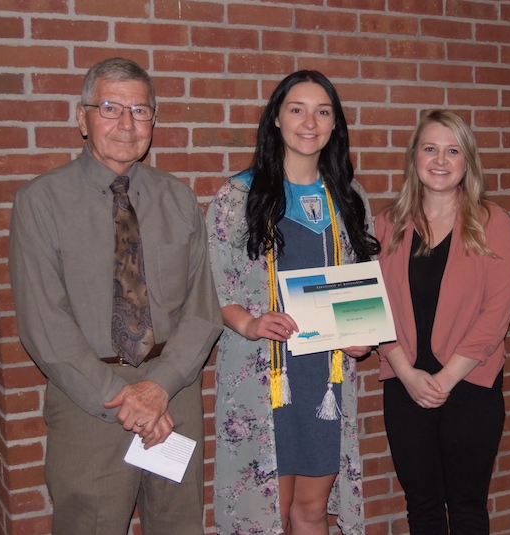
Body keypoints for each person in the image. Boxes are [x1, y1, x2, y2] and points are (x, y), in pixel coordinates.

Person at [9, 57, 224, 535]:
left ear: (154, 120)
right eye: (110, 108)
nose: (127, 124)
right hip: (92, 406)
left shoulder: (178, 198)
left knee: (177, 525)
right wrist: (124, 399)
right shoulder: (40, 202)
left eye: (140, 111)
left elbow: (203, 309)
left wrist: (159, 388)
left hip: (174, 401)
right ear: (81, 117)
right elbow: (44, 325)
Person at [206, 70, 380, 535]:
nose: (310, 121)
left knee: (311, 510)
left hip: (326, 378)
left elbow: (359, 288)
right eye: (296, 109)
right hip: (267, 376)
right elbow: (214, 288)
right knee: (268, 516)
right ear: (276, 121)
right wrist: (249, 323)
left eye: (323, 112)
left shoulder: (350, 198)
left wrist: (361, 338)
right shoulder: (238, 197)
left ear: (335, 125)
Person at [375, 110, 510, 535]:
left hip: (470, 387)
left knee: (467, 507)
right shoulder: (388, 224)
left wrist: (444, 381)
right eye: (430, 149)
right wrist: (406, 372)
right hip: (405, 387)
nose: (440, 160)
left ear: (467, 162)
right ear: (415, 158)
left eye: (453, 150)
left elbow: (496, 315)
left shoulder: (491, 223)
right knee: (421, 508)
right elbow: (374, 304)